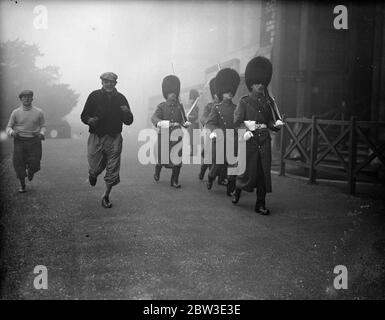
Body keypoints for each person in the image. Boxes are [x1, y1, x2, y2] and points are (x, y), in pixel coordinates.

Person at [232, 56, 284, 215]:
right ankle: (237, 191)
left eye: (263, 82)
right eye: (257, 83)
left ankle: (260, 204)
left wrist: (275, 125)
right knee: (247, 171)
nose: (260, 85)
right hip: (250, 140)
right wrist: (246, 132)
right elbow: (237, 121)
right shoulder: (244, 102)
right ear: (251, 84)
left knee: (263, 172)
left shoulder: (268, 102)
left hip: (264, 140)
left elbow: (269, 121)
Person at [81, 72, 134, 208]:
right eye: (106, 81)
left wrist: (126, 112)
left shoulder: (121, 98)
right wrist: (89, 120)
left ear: (116, 83)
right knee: (95, 166)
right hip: (96, 137)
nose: (109, 84)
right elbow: (84, 115)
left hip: (115, 137)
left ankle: (106, 196)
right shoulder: (94, 96)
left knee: (113, 168)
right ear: (102, 82)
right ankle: (93, 174)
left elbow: (129, 121)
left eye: (112, 82)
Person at [152, 75, 191, 188]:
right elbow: (155, 118)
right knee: (162, 159)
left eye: (175, 92)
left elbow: (184, 120)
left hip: (177, 136)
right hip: (164, 136)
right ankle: (157, 170)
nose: (173, 94)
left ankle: (174, 180)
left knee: (177, 159)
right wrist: (165, 123)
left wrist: (186, 124)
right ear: (166, 94)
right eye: (170, 93)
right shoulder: (161, 106)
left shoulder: (180, 107)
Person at [206, 68, 240, 196]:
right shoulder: (216, 108)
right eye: (227, 91)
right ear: (222, 92)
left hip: (232, 141)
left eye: (231, 91)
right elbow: (210, 123)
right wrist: (214, 132)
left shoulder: (237, 108)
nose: (230, 93)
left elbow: (239, 123)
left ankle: (230, 190)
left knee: (232, 166)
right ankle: (210, 178)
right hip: (220, 140)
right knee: (216, 166)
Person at [6, 90, 46, 193]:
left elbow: (43, 126)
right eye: (24, 97)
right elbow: (9, 127)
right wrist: (12, 133)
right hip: (20, 140)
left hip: (34, 141)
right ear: (21, 99)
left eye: (29, 97)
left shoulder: (39, 112)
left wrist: (41, 134)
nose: (27, 99)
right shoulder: (15, 112)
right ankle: (22, 185)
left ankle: (31, 171)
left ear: (32, 98)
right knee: (19, 163)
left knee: (35, 162)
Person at [186, 89, 200, 156]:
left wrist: (188, 116)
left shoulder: (195, 107)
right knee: (192, 139)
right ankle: (193, 151)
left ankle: (194, 151)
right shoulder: (193, 106)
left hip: (193, 124)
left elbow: (195, 116)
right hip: (192, 124)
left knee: (193, 139)